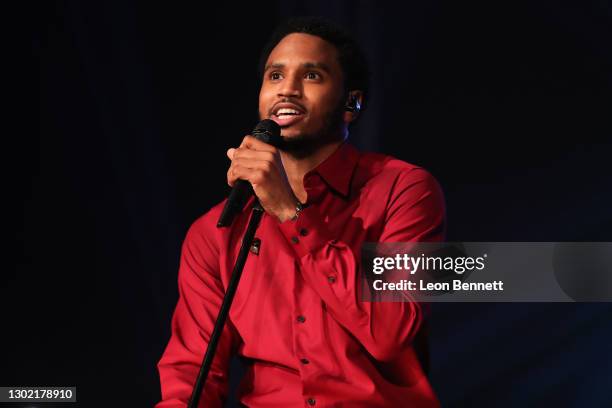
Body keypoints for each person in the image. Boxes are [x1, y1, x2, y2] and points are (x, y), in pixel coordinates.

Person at [156, 16, 445, 407]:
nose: (287, 90)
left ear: (351, 104)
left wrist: (291, 213)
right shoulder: (216, 231)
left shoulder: (403, 190)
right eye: (275, 76)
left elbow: (391, 334)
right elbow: (192, 371)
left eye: (311, 76)